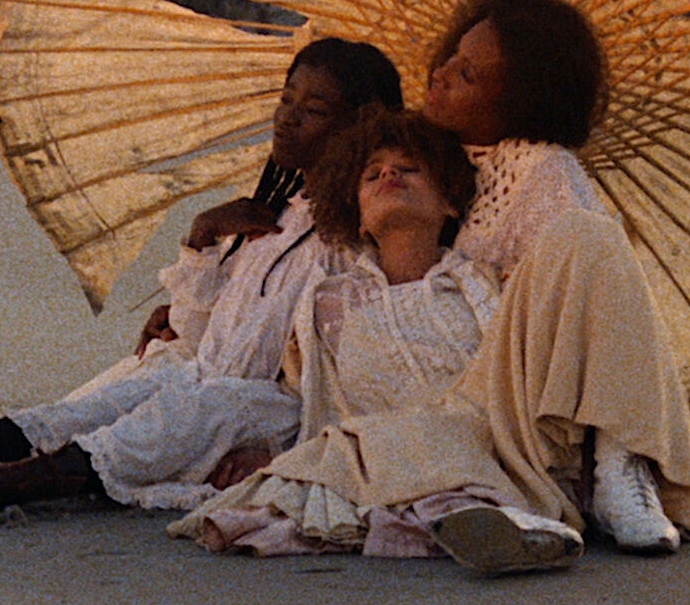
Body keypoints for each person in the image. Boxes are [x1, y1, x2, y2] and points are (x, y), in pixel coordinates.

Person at [0, 38, 406, 522]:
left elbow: (338, 363)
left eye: (314, 109)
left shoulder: (354, 236)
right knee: (87, 407)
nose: (287, 115)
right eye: (286, 98)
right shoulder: (270, 215)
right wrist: (204, 238)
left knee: (154, 429)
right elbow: (198, 331)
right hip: (201, 371)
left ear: (360, 126)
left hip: (268, 406)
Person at [414, 0, 690, 551]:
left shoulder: (542, 170)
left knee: (588, 236)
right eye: (453, 57)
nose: (440, 74)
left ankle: (621, 461)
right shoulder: (413, 153)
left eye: (468, 74)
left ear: (519, 102)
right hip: (431, 364)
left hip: (518, 371)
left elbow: (585, 306)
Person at [171, 109, 588, 575]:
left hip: (486, 441)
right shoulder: (327, 305)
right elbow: (309, 403)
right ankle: (476, 518)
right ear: (362, 219)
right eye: (373, 175)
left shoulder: (487, 287)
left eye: (408, 169)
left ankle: (489, 513)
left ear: (449, 204)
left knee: (449, 428)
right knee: (353, 445)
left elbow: (521, 384)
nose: (389, 174)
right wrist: (274, 453)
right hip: (383, 454)